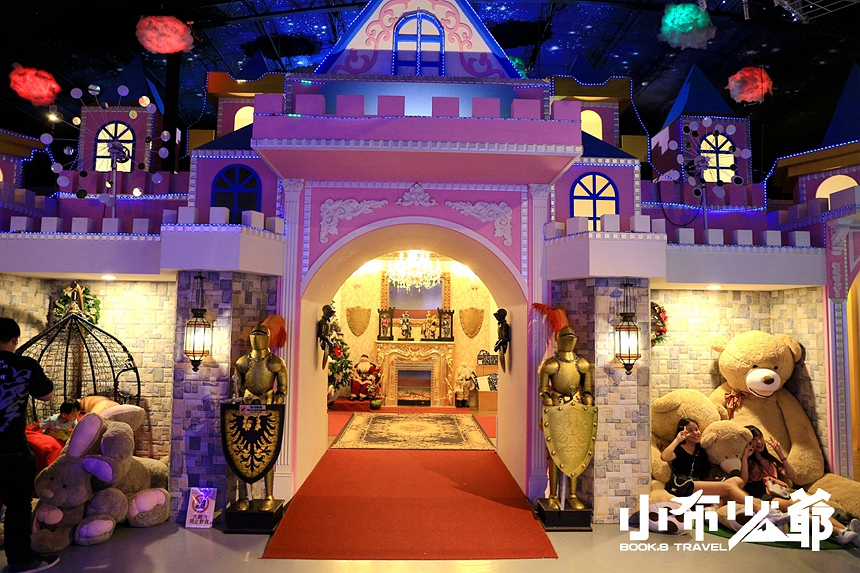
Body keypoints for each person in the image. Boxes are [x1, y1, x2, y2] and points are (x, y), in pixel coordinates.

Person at [0, 317, 60, 572]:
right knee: (17, 508)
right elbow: (46, 394)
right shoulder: (25, 365)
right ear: (15, 339)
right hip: (12, 451)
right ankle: (21, 560)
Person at [744, 424, 860, 547]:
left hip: (781, 492)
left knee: (808, 504)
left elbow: (792, 475)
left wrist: (780, 454)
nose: (759, 441)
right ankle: (838, 532)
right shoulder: (748, 462)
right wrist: (745, 457)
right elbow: (744, 480)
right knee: (798, 508)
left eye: (760, 437)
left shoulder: (770, 460)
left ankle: (845, 529)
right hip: (764, 495)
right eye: (754, 439)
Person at [231, 323, 287, 512]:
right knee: (243, 451)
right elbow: (237, 386)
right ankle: (246, 496)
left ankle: (268, 495)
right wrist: (238, 399)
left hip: (267, 405)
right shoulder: (243, 362)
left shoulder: (275, 361)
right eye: (254, 333)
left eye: (260, 334)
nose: (257, 336)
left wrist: (277, 400)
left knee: (267, 450)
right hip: (246, 405)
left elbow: (283, 389)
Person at [660, 418, 756, 507]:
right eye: (690, 430)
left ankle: (713, 507)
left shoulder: (701, 450)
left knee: (737, 481)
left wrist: (745, 457)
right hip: (682, 486)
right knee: (729, 488)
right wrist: (678, 439)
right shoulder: (679, 449)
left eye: (696, 429)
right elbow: (664, 457)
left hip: (697, 490)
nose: (695, 433)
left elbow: (743, 480)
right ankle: (758, 509)